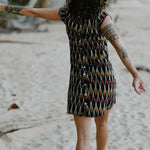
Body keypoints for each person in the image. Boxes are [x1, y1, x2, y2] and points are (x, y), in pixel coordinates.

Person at [0, 0, 146, 150]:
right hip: (103, 79)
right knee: (102, 124)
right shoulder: (102, 17)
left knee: (82, 138)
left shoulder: (66, 14)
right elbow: (120, 47)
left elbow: (33, 12)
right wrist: (135, 74)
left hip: (80, 81)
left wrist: (3, 7)